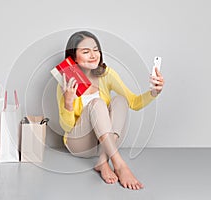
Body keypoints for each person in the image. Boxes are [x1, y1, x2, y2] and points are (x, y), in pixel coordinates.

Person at [56, 31, 164, 190]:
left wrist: (154, 92)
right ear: (73, 57)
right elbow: (67, 128)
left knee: (120, 100)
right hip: (79, 143)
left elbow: (133, 102)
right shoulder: (66, 83)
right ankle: (119, 164)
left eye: (95, 49)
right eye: (86, 52)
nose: (93, 55)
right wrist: (69, 102)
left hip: (104, 145)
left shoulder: (106, 74)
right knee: (97, 103)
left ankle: (102, 160)